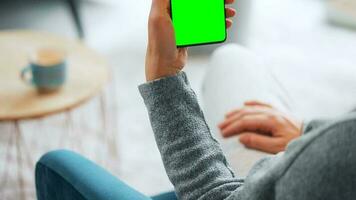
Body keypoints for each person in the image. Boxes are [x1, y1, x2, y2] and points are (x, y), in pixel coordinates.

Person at [35, 0, 356, 199]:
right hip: (307, 162)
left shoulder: (341, 151)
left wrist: (163, 75)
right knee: (232, 59)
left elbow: (214, 195)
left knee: (54, 164)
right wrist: (309, 132)